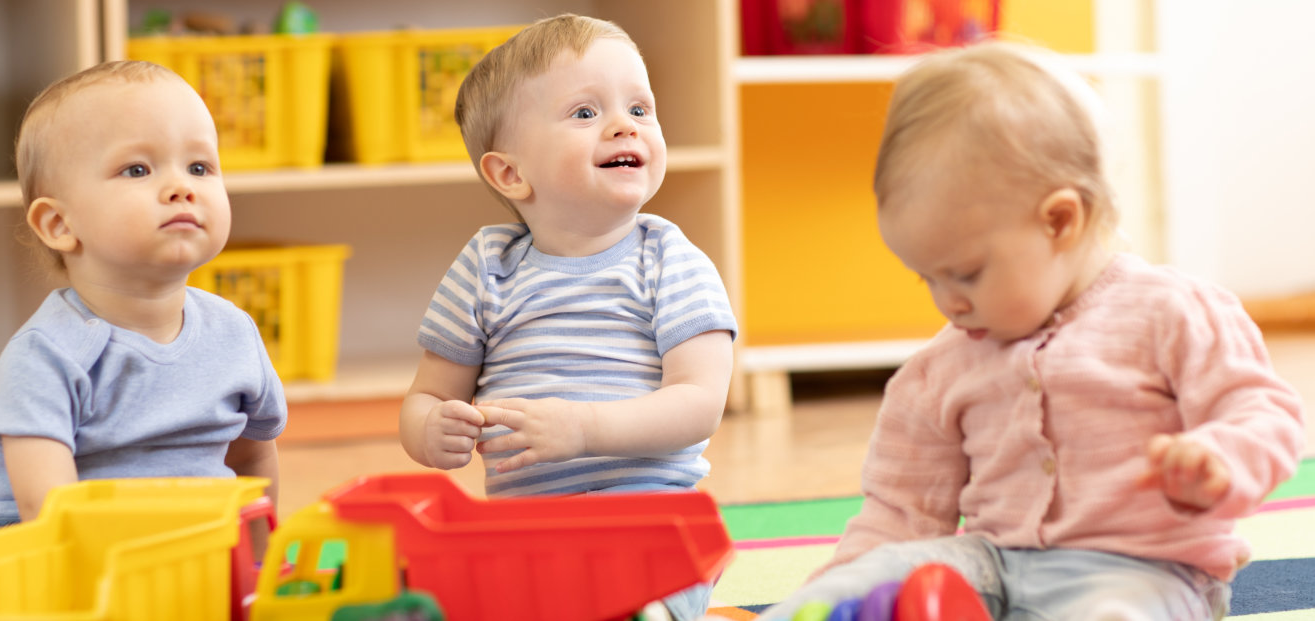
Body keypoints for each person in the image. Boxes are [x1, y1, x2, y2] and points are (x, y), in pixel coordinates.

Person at [756, 42, 1305, 620]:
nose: (950, 302)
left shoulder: (1174, 312)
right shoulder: (936, 372)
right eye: (928, 280)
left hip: (1144, 572)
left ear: (1059, 221)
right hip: (992, 561)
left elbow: (1263, 412)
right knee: (870, 574)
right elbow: (900, 509)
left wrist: (1218, 460)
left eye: (966, 274)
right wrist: (852, 585)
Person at [399, 14, 737, 620]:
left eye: (640, 109)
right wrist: (430, 432)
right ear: (510, 173)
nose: (622, 127)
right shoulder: (485, 267)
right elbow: (426, 396)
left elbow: (700, 402)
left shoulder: (671, 259)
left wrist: (583, 429)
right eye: (585, 113)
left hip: (649, 522)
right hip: (521, 533)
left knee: (646, 592)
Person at [0, 60, 287, 538]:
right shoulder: (47, 356)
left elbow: (251, 455)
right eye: (137, 169)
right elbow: (46, 509)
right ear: (59, 225)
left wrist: (258, 560)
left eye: (199, 166)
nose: (182, 188)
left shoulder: (232, 332)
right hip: (51, 556)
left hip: (182, 547)